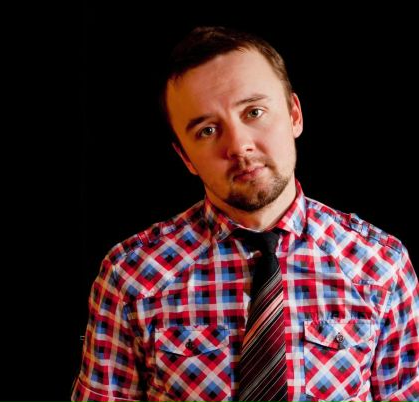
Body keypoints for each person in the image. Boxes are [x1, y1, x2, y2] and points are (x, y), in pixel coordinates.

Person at [72, 26, 419, 402]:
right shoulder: (131, 277)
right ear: (185, 156)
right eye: (207, 130)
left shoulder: (381, 266)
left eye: (254, 112)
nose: (238, 146)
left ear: (294, 115)